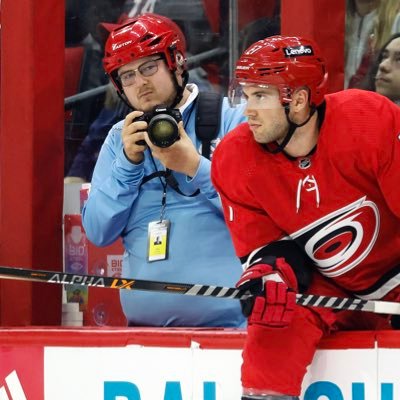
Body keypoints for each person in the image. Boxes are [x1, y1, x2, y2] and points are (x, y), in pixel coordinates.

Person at [211, 35, 400, 399]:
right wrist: (267, 278)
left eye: (260, 96)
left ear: (298, 100)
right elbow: (268, 249)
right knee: (274, 315)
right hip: (329, 286)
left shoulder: (370, 121)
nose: (246, 109)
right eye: (246, 95)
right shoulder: (235, 159)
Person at [82, 13, 247, 327]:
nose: (139, 83)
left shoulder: (230, 120)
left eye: (148, 67)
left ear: (177, 62)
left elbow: (261, 210)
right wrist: (126, 168)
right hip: (146, 341)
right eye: (126, 76)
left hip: (231, 332)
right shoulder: (120, 138)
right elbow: (98, 233)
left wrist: (195, 167)